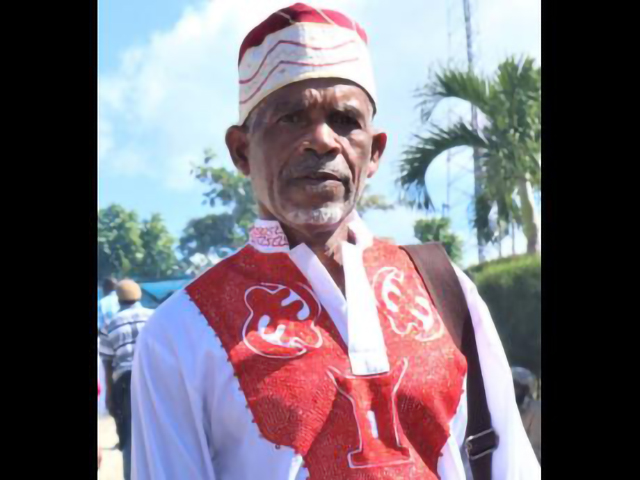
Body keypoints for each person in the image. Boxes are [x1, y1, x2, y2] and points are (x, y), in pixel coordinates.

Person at [131, 4, 540, 479]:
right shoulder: (181, 333)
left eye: (345, 120)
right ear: (242, 150)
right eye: (290, 119)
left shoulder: (447, 292)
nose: (322, 140)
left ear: (374, 152)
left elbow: (511, 465)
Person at [100, 279, 154, 480]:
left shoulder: (109, 324)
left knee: (129, 436)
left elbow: (107, 362)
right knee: (156, 431)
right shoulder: (153, 317)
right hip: (151, 381)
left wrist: (110, 395)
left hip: (124, 384)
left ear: (118, 299)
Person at [512, 366, 542, 465]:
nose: (512, 390)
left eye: (516, 386)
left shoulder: (536, 410)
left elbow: (535, 449)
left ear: (525, 390)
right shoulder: (505, 406)